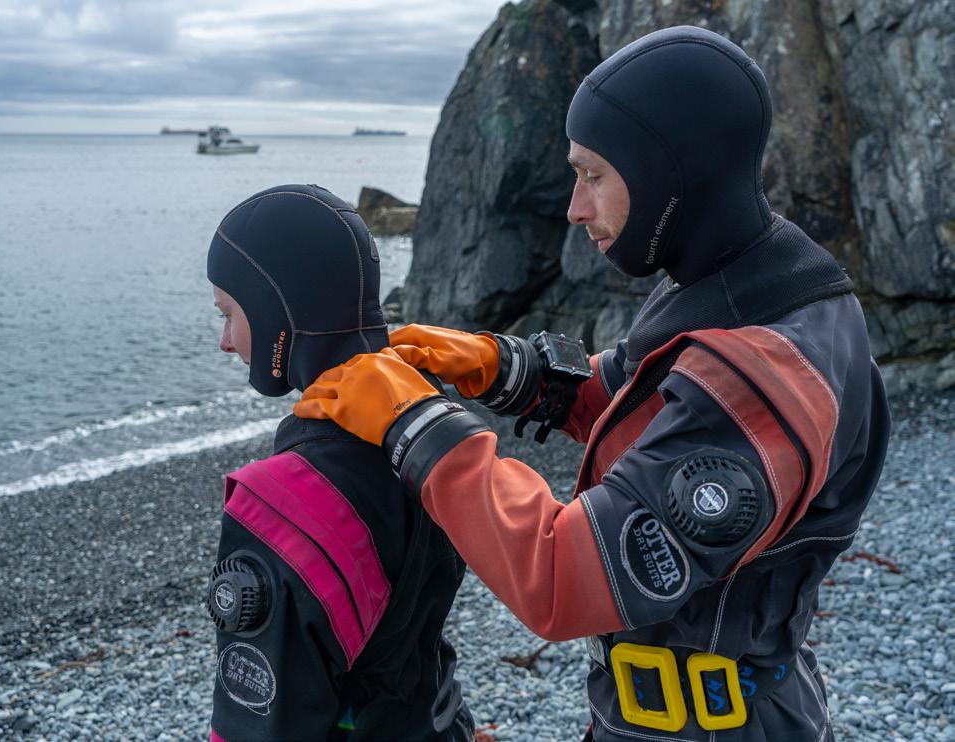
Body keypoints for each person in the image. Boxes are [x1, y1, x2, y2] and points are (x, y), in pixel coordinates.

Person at [293, 26, 890, 741]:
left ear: (670, 173)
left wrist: (416, 427)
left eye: (594, 175)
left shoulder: (767, 375)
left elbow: (564, 579)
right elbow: (638, 396)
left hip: (716, 725)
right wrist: (496, 365)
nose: (576, 207)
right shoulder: (744, 284)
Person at [205, 184, 475, 741]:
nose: (225, 341)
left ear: (274, 310)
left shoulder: (284, 500)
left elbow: (261, 723)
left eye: (229, 313)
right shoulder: (433, 432)